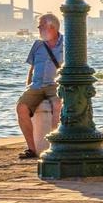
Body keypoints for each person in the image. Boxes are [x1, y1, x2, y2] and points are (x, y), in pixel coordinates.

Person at [16, 13, 64, 160]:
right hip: (36, 85)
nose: (38, 29)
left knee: (57, 105)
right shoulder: (37, 45)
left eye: (41, 26)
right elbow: (32, 69)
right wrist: (28, 86)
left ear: (52, 27)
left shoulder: (67, 44)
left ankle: (55, 145)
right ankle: (32, 149)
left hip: (54, 84)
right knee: (21, 108)